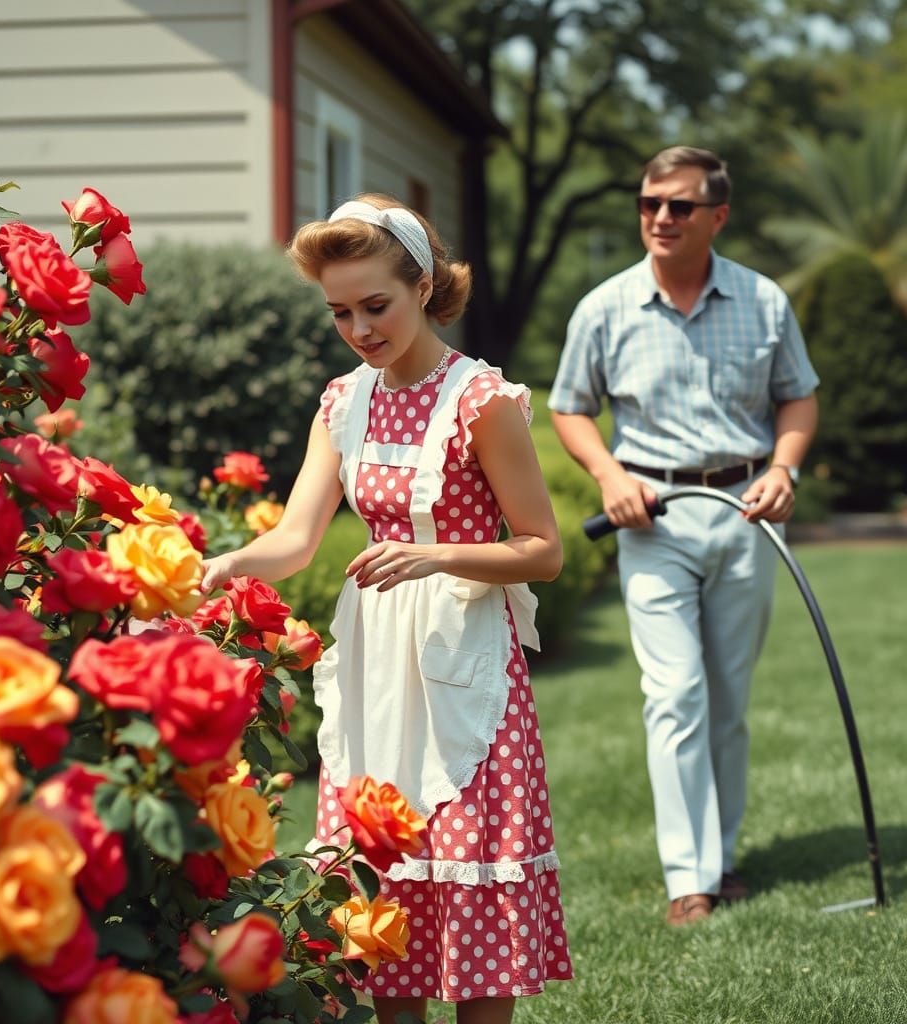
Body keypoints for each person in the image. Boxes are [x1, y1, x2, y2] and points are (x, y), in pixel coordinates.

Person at [202, 194, 572, 1023]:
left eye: (377, 305)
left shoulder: (484, 401)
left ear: (424, 286)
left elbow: (542, 549)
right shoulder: (343, 402)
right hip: (375, 662)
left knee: (472, 868)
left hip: (466, 662)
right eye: (341, 312)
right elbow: (296, 538)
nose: (361, 329)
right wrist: (223, 564)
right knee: (380, 888)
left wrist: (435, 554)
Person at [548, 147, 819, 927]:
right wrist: (608, 476)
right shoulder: (604, 307)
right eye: (649, 203)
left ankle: (724, 856)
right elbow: (570, 407)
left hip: (747, 516)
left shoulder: (764, 302)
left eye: (679, 206)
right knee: (674, 695)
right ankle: (687, 877)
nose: (660, 217)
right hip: (653, 518)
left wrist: (786, 470)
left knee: (728, 699)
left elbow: (797, 400)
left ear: (717, 216)